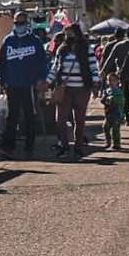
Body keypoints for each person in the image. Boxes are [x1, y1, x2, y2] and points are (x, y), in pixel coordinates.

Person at [0, 11, 49, 158]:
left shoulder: (35, 41)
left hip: (29, 85)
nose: (19, 26)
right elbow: (2, 64)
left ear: (27, 23)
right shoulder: (7, 41)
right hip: (12, 84)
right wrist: (2, 82)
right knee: (12, 116)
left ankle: (29, 147)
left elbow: (42, 62)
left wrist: (41, 79)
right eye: (16, 23)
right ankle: (8, 147)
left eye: (21, 23)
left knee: (29, 116)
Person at [44, 23, 99, 158]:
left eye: (71, 34)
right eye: (67, 34)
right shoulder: (62, 50)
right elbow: (55, 68)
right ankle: (65, 145)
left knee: (79, 119)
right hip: (65, 89)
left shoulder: (86, 49)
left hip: (82, 89)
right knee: (60, 119)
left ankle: (78, 146)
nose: (69, 37)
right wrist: (47, 82)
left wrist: (96, 84)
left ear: (77, 33)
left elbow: (93, 67)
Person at [101, 27, 129, 125]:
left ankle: (119, 116)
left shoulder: (114, 45)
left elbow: (107, 60)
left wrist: (103, 72)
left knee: (119, 96)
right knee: (128, 96)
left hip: (117, 75)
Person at [101, 73, 125, 149]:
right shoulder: (106, 91)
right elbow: (103, 101)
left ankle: (117, 143)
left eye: (113, 80)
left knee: (115, 129)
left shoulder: (118, 92)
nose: (111, 82)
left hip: (116, 113)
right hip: (108, 113)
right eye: (109, 80)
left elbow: (121, 100)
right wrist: (104, 99)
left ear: (117, 81)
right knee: (105, 127)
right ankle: (108, 141)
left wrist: (113, 99)